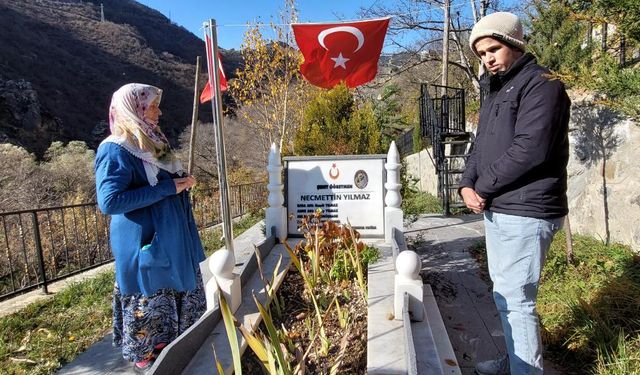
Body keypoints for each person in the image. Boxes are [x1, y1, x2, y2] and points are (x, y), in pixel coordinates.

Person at [459, 12, 571, 375]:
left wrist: (482, 186)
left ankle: (524, 370)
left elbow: (531, 149)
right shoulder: (495, 87)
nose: (488, 58)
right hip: (501, 206)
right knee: (506, 297)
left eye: (494, 48)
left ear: (515, 44)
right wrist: (465, 182)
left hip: (527, 209)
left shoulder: (542, 85)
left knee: (516, 302)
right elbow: (480, 146)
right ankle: (515, 361)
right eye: (481, 54)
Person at [95, 83, 206, 373]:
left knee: (175, 284)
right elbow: (110, 201)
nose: (159, 110)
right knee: (148, 291)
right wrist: (166, 189)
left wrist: (181, 182)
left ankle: (173, 344)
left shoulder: (153, 140)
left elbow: (164, 182)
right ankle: (147, 353)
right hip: (145, 236)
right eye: (153, 105)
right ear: (136, 108)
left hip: (172, 232)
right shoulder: (115, 149)